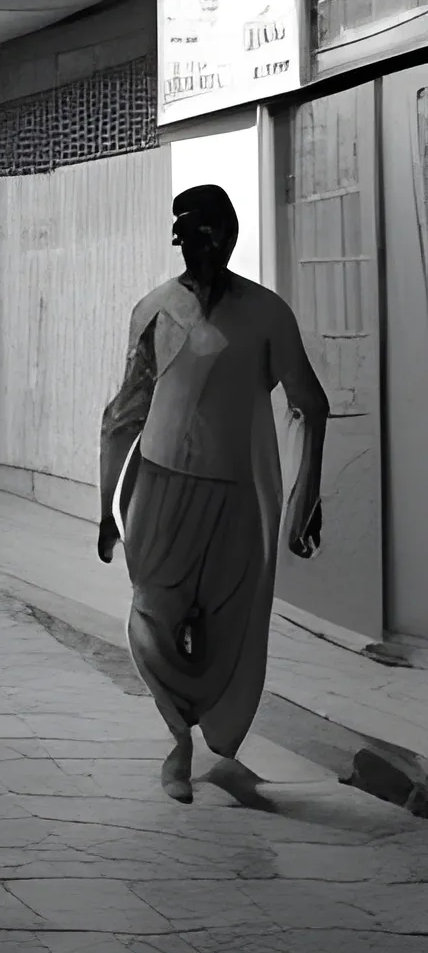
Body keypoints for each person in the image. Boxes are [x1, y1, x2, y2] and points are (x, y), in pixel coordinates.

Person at [98, 183, 326, 803]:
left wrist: (309, 491)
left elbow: (311, 403)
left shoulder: (265, 314)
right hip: (162, 491)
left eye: (216, 234)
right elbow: (125, 412)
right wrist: (106, 510)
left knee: (231, 624)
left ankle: (224, 751)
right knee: (153, 616)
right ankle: (178, 742)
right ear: (179, 240)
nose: (206, 246)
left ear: (230, 236)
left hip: (235, 498)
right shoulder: (154, 311)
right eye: (194, 235)